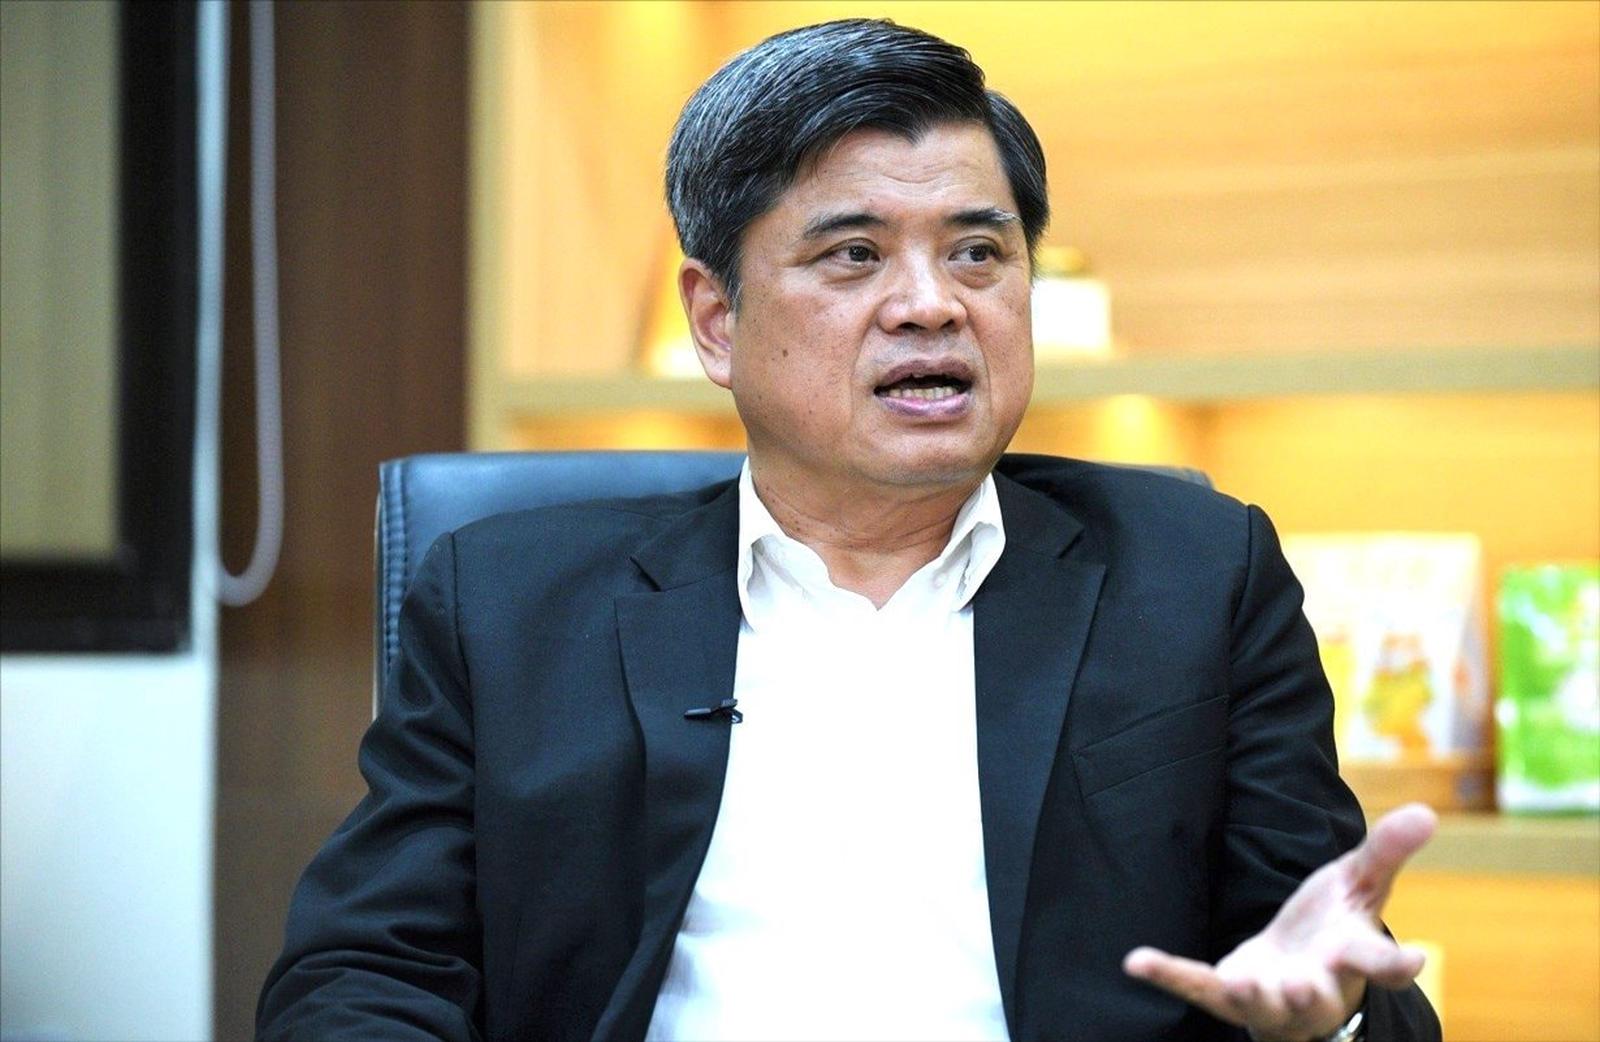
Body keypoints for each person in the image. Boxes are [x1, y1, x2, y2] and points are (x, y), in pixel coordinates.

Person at [258, 19, 1442, 1042]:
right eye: (854, 255)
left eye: (977, 252)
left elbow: (1330, 958)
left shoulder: (1196, 576)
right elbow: (365, 971)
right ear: (715, 321)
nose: (931, 304)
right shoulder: (508, 603)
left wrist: (1331, 1015)